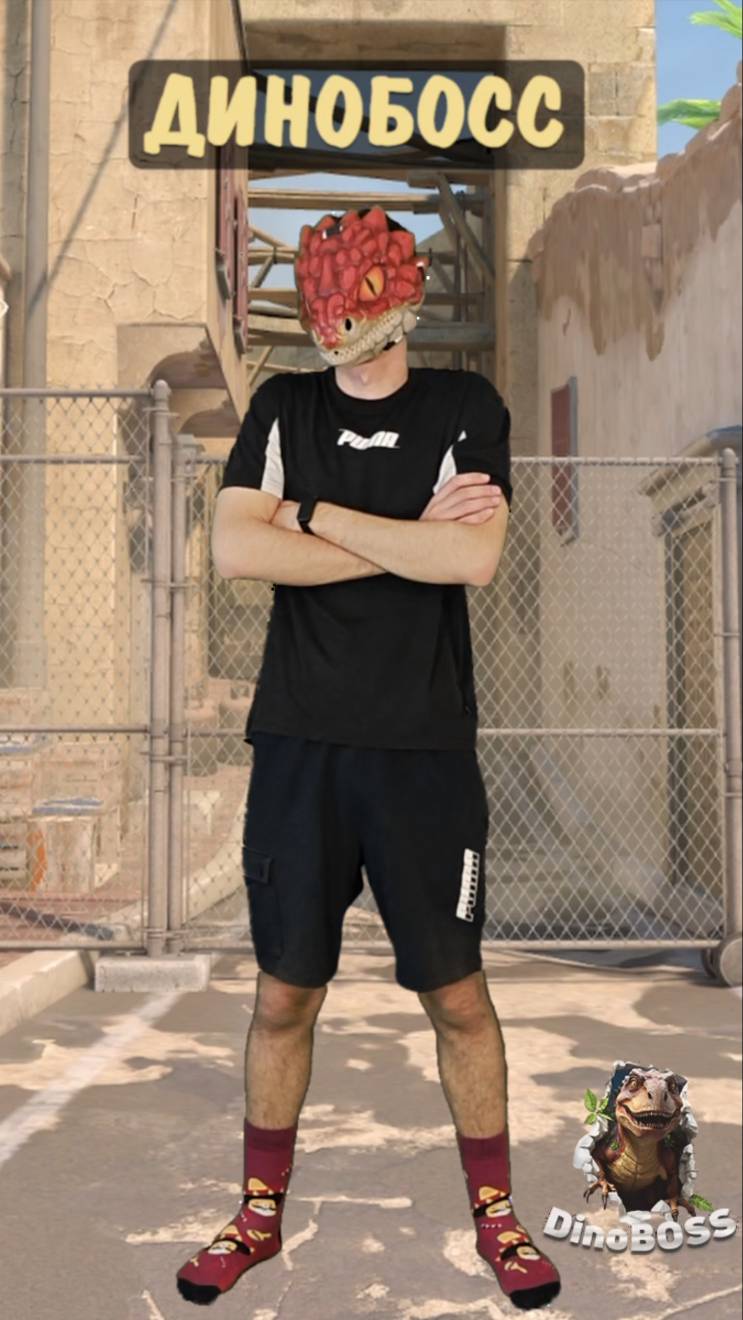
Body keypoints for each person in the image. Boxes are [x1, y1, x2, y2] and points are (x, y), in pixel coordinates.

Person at [176, 206, 561, 1311]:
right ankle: (257, 1216)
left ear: (401, 296)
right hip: (299, 744)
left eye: (347, 300)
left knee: (458, 999)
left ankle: (496, 1216)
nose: (331, 323)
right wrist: (403, 541)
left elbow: (472, 559)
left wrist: (309, 516)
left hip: (422, 754)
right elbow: (236, 547)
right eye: (320, 301)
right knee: (282, 998)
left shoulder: (461, 407)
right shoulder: (284, 406)